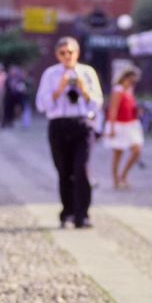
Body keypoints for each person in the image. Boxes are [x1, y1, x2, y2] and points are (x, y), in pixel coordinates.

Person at [35, 37, 103, 228]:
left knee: (82, 170)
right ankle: (68, 213)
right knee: (64, 171)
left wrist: (83, 89)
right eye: (63, 53)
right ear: (57, 55)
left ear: (77, 53)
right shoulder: (50, 74)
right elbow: (42, 105)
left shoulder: (87, 73)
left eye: (70, 52)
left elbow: (97, 103)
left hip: (82, 124)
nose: (67, 57)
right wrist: (59, 89)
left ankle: (83, 214)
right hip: (59, 125)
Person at [103, 65, 144, 189]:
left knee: (137, 150)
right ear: (125, 78)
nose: (132, 83)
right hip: (119, 124)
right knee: (118, 153)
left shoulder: (129, 91)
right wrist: (112, 128)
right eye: (131, 81)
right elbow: (113, 109)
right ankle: (116, 180)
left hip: (130, 124)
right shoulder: (118, 90)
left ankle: (123, 175)